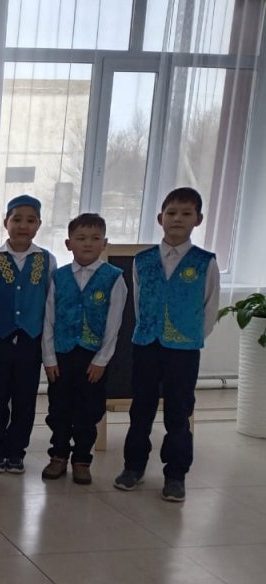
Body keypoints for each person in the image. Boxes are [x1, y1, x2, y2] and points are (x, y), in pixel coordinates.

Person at [114, 187, 220, 502]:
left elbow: (210, 308)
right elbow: (139, 301)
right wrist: (150, 329)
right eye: (171, 213)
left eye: (186, 214)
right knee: (141, 409)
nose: (177, 219)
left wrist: (189, 336)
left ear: (198, 219)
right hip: (146, 345)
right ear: (160, 218)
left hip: (184, 351)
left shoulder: (205, 262)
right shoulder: (143, 260)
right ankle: (133, 466)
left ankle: (175, 475)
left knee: (178, 412)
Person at [0, 195, 56, 474]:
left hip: (31, 342)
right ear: (5, 222)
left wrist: (48, 348)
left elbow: (51, 305)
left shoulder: (47, 260)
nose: (23, 225)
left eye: (30, 220)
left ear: (39, 225)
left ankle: (16, 450)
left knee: (25, 398)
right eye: (17, 219)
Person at [41, 213, 126, 485]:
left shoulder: (114, 278)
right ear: (69, 244)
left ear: (105, 243)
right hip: (62, 355)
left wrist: (102, 359)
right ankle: (58, 455)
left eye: (94, 238)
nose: (87, 243)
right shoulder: (58, 277)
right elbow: (48, 319)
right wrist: (49, 358)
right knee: (59, 407)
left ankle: (81, 459)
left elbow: (114, 324)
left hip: (93, 358)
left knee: (89, 410)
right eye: (80, 238)